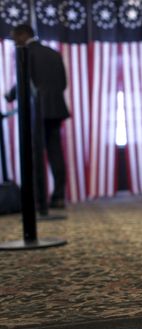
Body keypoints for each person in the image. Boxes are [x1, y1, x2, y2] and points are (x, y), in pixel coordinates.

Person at [4, 24, 70, 210]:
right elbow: (63, 83)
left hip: (37, 111)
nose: (13, 41)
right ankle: (58, 198)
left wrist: (10, 96)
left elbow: (24, 81)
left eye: (15, 36)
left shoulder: (26, 53)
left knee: (35, 156)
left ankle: (39, 200)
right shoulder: (53, 53)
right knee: (56, 153)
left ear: (24, 35)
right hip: (56, 109)